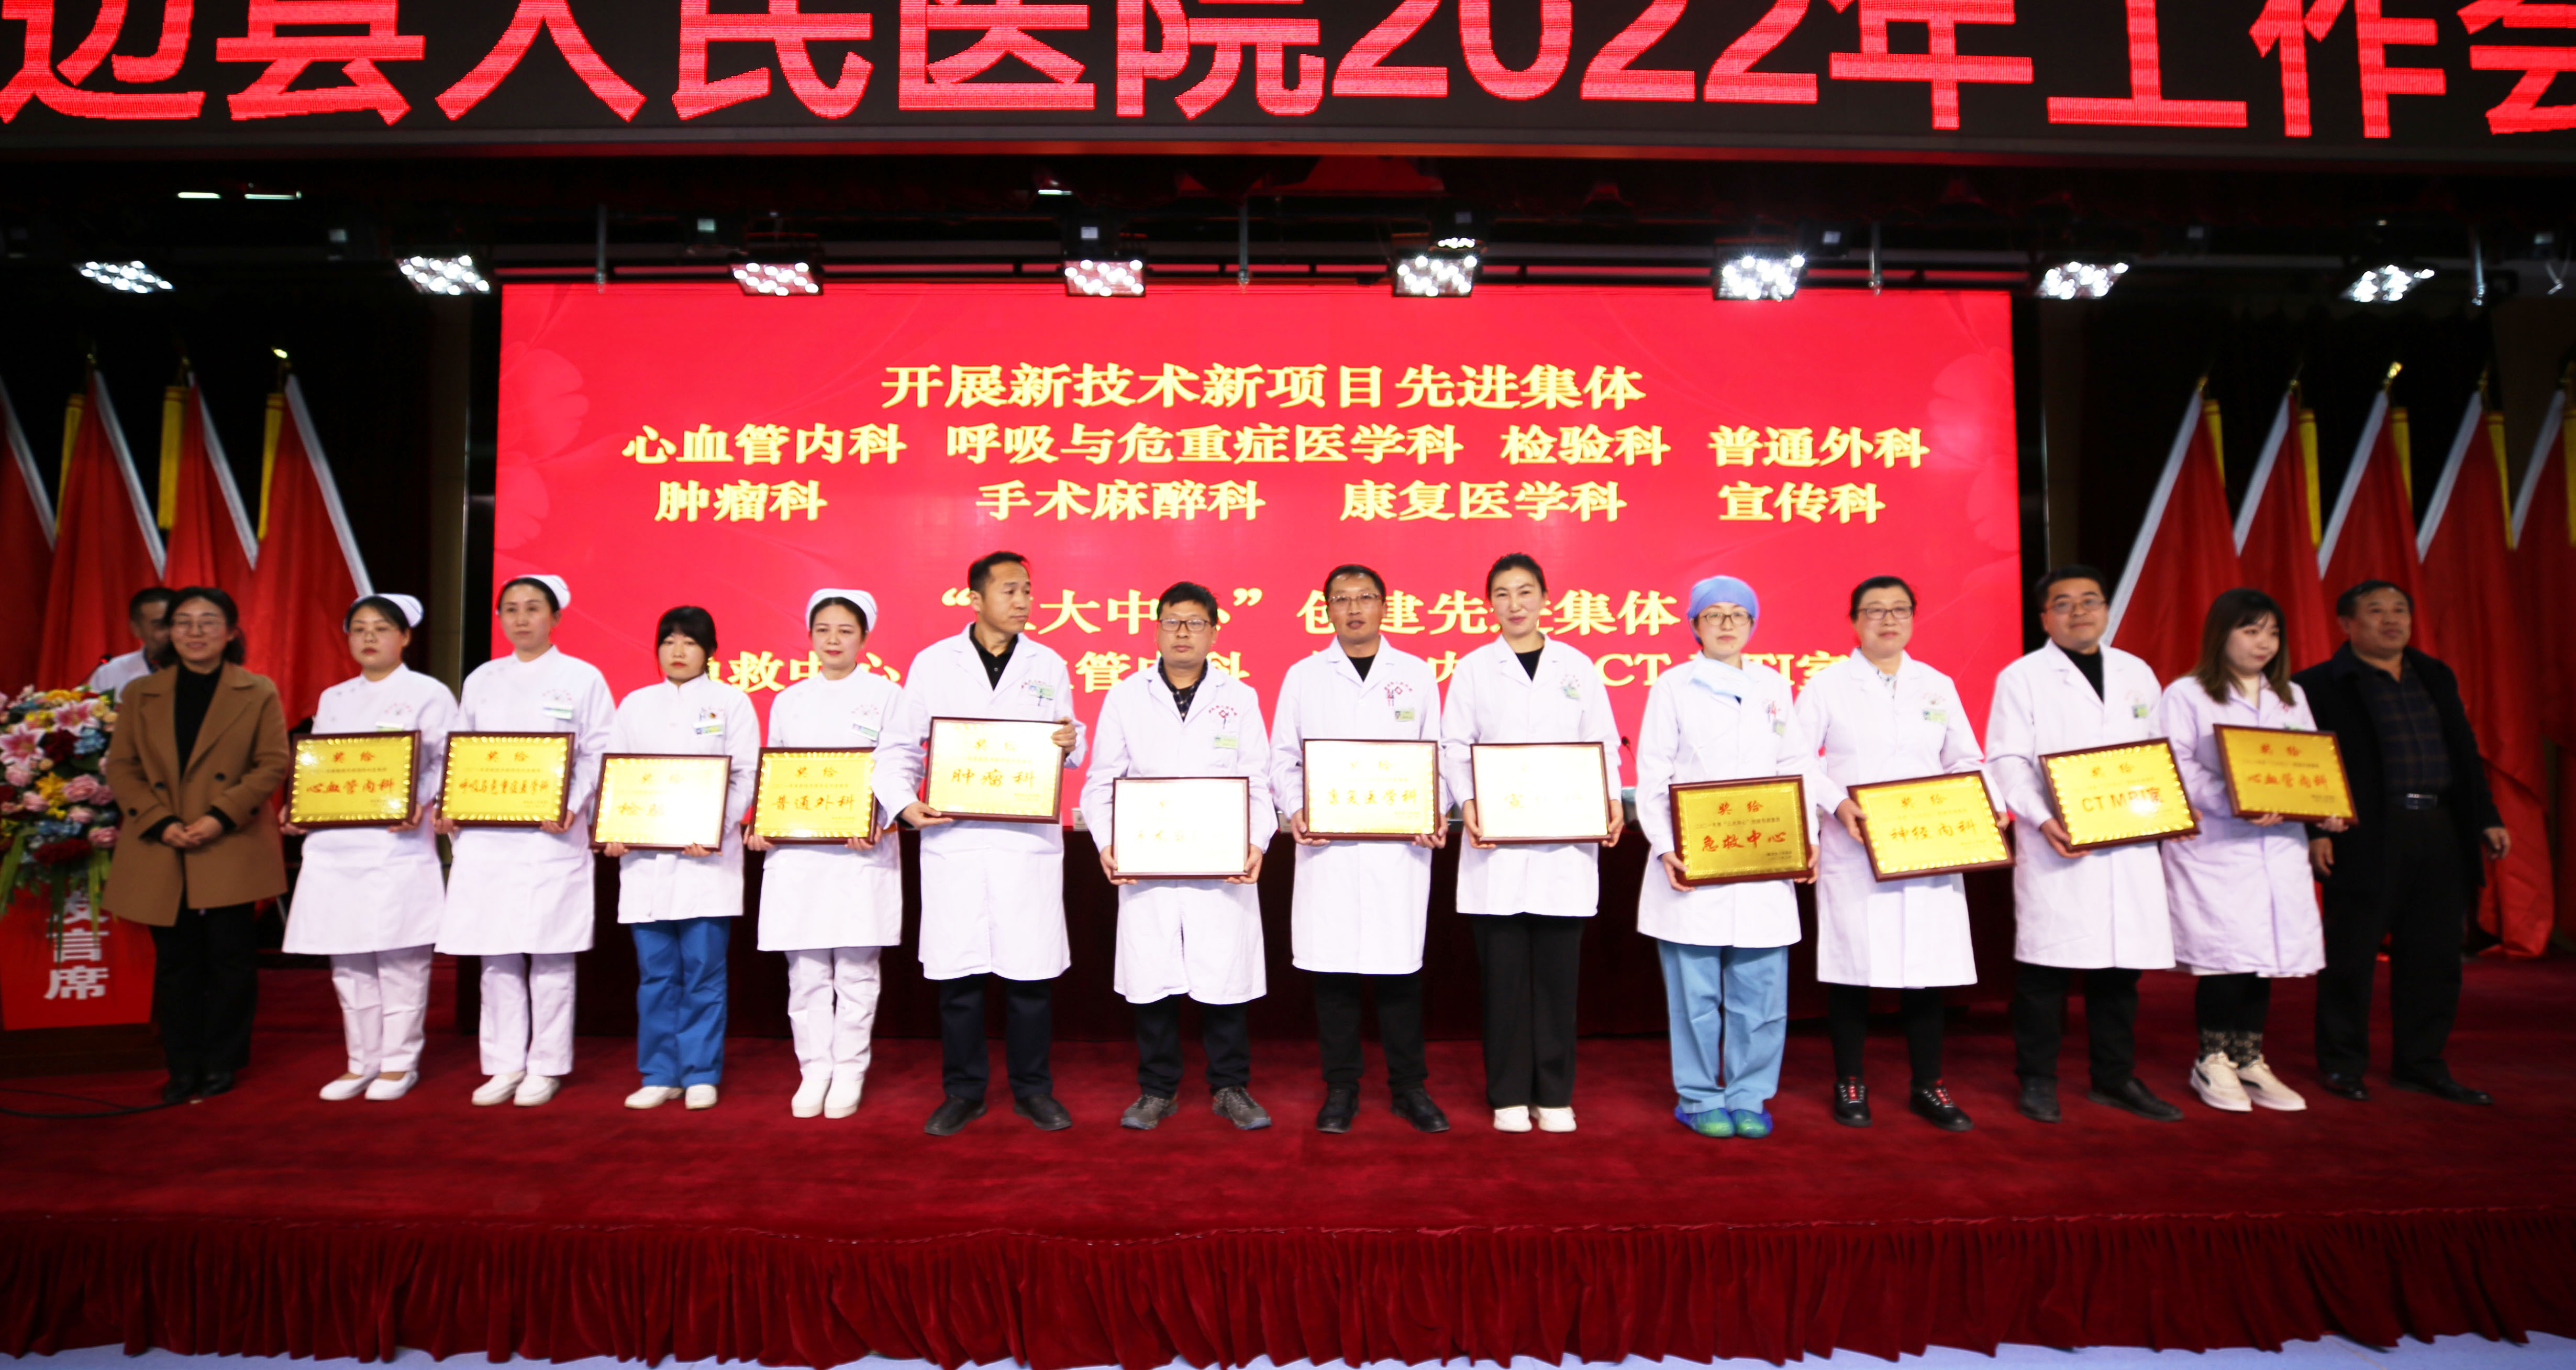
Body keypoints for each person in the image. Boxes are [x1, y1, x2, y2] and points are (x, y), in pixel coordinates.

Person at [878, 550, 1085, 1136]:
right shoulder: (932, 664)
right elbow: (898, 749)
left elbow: (1067, 744)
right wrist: (905, 805)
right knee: (960, 983)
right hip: (957, 843)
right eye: (1010, 591)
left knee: (1030, 981)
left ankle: (1033, 1090)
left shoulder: (1048, 663)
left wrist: (1070, 742)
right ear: (976, 599)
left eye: (1028, 591)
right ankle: (964, 1091)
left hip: (1025, 846)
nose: (1024, 602)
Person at [2293, 581, 2508, 1107]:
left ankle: (2421, 1063)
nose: (2392, 620)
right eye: (2376, 611)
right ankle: (2343, 1064)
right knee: (2351, 956)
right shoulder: (2317, 685)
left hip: (2439, 827)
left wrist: (2485, 817)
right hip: (2365, 833)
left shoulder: (2435, 674)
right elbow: (2303, 764)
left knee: (2435, 956)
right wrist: (2316, 830)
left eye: (2400, 610)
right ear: (2347, 624)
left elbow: (2463, 750)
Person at [1986, 565, 2183, 1124]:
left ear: (2105, 610)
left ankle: (2114, 1078)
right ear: (2044, 617)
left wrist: (2166, 807)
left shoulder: (2136, 672)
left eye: (2090, 601)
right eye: (2064, 603)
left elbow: (2158, 753)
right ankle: (2037, 1080)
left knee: (2120, 973)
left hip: (2129, 844)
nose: (2080, 612)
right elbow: (2007, 759)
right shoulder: (2022, 677)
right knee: (2045, 974)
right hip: (2059, 844)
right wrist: (2044, 818)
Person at [1439, 552, 1623, 1134]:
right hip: (1496, 847)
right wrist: (1469, 801)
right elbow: (1454, 746)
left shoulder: (1578, 667)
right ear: (1488, 604)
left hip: (1564, 847)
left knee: (1556, 981)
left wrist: (1611, 800)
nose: (1514, 604)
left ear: (1545, 598)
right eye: (1502, 594)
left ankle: (1555, 1093)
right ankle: (1508, 1095)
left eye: (1525, 592)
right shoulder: (1474, 669)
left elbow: (1601, 742)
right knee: (1504, 983)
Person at [1085, 580, 1278, 1132]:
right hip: (1149, 861)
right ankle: (1157, 1089)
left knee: (1225, 977)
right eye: (1172, 622)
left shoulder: (1240, 698)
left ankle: (1230, 1086)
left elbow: (1257, 781)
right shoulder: (1126, 696)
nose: (1183, 633)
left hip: (1221, 863)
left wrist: (1257, 842)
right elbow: (1102, 781)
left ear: (1214, 632)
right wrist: (1108, 843)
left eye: (1195, 623)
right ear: (1157, 629)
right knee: (1153, 976)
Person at [1796, 574, 1987, 1132]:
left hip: (1928, 846)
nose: (1888, 620)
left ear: (1913, 618)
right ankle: (1850, 1082)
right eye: (1875, 610)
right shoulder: (1827, 686)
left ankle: (1929, 1084)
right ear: (1854, 621)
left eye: (1899, 610)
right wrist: (1837, 804)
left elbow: (1964, 759)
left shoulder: (1937, 685)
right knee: (1852, 970)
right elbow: (1797, 759)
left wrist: (1984, 807)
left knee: (1927, 969)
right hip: (1856, 846)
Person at [1635, 575, 1817, 1141]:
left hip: (1764, 858)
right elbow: (1653, 771)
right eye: (1713, 614)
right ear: (1694, 625)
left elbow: (1796, 764)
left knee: (1760, 994)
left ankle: (1748, 1095)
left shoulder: (1774, 685)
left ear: (1753, 624)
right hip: (1695, 860)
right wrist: (1666, 847)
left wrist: (1806, 835)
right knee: (1695, 995)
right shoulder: (1672, 686)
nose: (1726, 624)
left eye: (1738, 614)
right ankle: (1698, 1096)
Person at [1271, 564, 1450, 1135]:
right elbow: (1283, 759)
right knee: (1335, 976)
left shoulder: (1416, 674)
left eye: (1365, 597)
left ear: (1383, 606)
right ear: (1326, 610)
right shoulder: (1303, 676)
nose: (1353, 609)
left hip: (1399, 851)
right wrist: (1297, 809)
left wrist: (1434, 809)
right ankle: (1341, 1089)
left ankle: (1409, 1088)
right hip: (1330, 850)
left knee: (1399, 973)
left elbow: (1437, 754)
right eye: (1341, 599)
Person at [2159, 589, 2350, 1114]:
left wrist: (2324, 809)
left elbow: (2309, 765)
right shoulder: (2187, 694)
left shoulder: (2290, 696)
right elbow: (2176, 765)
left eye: (2272, 633)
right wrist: (2236, 800)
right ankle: (2211, 1059)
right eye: (2251, 631)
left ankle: (2249, 1058)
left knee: (2264, 957)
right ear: (2221, 635)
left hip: (2279, 845)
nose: (2264, 643)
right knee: (2227, 958)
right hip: (2220, 846)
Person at [101, 586, 290, 1103]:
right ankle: (182, 1064)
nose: (195, 632)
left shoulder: (257, 690)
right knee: (176, 961)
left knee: (231, 958)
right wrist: (160, 821)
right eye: (183, 622)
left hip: (230, 837)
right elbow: (123, 767)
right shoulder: (141, 693)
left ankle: (223, 1060)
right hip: (162, 841)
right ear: (168, 633)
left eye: (208, 621)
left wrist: (219, 817)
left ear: (230, 633)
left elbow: (271, 763)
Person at [435, 574, 614, 1108]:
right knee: (496, 956)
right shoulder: (483, 679)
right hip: (488, 839)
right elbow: (462, 751)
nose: (521, 618)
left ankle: (547, 1065)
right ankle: (504, 1063)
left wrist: (571, 803)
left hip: (549, 839)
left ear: (555, 618)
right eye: (510, 609)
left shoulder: (582, 677)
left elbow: (598, 751)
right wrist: (451, 802)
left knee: (551, 954)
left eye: (533, 608)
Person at [279, 593, 457, 1103]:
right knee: (349, 961)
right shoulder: (334, 697)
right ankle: (361, 1062)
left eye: (381, 628)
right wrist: (299, 805)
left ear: (405, 637)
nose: (369, 637)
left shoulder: (429, 693)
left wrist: (422, 801)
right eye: (359, 629)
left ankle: (399, 1063)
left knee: (400, 959)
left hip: (395, 843)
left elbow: (447, 762)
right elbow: (320, 766)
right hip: (336, 846)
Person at [746, 590, 903, 1120]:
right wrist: (764, 823)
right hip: (800, 857)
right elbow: (777, 773)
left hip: (861, 852)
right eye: (823, 630)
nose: (833, 640)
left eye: (845, 631)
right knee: (807, 973)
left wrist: (881, 819)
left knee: (857, 972)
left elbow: (900, 767)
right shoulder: (788, 700)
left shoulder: (888, 696)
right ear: (810, 636)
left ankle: (850, 1070)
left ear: (864, 638)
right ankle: (814, 1069)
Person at [603, 605, 759, 1111]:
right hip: (645, 862)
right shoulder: (635, 704)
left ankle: (700, 1072)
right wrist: (616, 828)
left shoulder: (731, 703)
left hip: (704, 863)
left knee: (704, 973)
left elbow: (745, 776)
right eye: (668, 641)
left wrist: (712, 828)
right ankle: (659, 1072)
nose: (678, 651)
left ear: (709, 650)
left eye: (690, 642)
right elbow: (617, 774)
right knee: (656, 976)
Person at [86, 587, 176, 695]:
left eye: (178, 623)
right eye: (160, 625)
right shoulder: (110, 673)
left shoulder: (196, 668)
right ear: (136, 629)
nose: (171, 632)